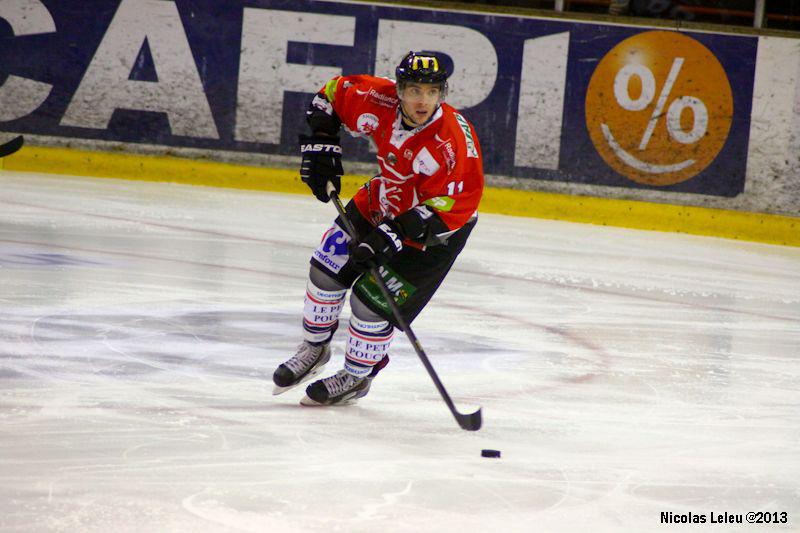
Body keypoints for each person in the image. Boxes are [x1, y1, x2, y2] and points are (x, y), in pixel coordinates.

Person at [272, 50, 484, 406]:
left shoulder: (452, 142)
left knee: (370, 303)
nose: (423, 101)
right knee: (325, 271)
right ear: (399, 90)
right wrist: (322, 145)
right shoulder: (378, 98)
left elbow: (458, 205)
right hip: (383, 198)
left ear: (442, 93)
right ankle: (314, 349)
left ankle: (357, 377)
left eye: (432, 92)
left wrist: (395, 233)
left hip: (436, 232)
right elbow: (331, 95)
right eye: (415, 90)